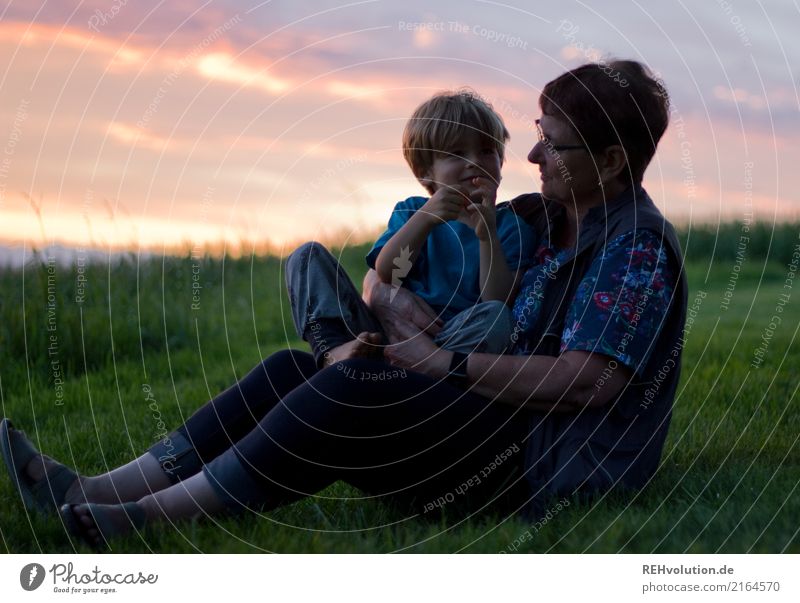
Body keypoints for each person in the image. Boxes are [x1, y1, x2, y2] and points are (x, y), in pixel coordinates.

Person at [0, 59, 687, 549]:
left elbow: (588, 380)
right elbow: (394, 276)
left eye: (554, 142)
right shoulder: (543, 215)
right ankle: (102, 487)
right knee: (286, 370)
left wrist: (444, 363)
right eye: (537, 130)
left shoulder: (635, 248)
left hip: (538, 458)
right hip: (483, 415)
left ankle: (149, 515)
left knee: (349, 387)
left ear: (613, 163)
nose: (533, 152)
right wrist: (388, 302)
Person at [286, 90, 535, 368]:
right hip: (379, 332)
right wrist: (425, 220)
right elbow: (390, 273)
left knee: (495, 319)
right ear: (425, 171)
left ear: (501, 163)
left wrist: (487, 233)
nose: (474, 162)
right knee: (307, 257)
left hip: (447, 340)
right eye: (456, 153)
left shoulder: (512, 229)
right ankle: (335, 351)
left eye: (487, 151)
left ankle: (419, 368)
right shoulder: (413, 211)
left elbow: (496, 299)